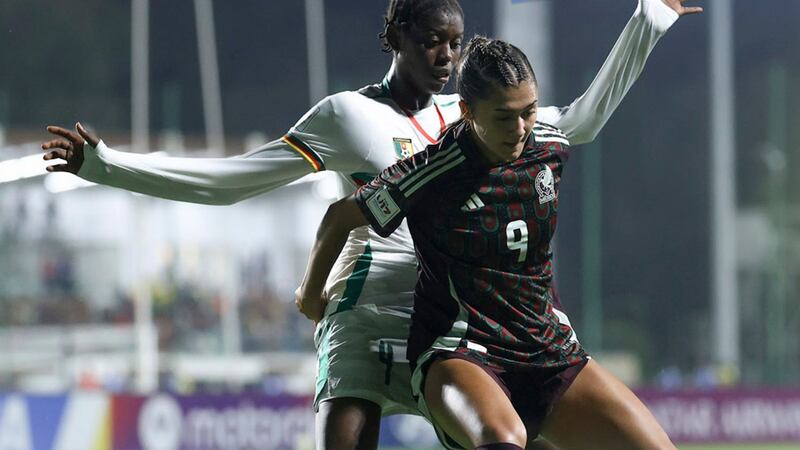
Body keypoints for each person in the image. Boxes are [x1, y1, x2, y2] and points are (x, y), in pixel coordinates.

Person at [41, 1, 701, 448]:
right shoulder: (346, 116)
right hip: (368, 308)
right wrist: (106, 167)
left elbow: (579, 121)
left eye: (453, 41)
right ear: (395, 40)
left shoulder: (476, 112)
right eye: (429, 40)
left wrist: (648, 19)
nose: (443, 54)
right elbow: (232, 182)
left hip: (463, 310)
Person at [296, 35, 679, 450]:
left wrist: (649, 21)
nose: (519, 130)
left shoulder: (549, 147)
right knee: (503, 439)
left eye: (529, 112)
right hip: (460, 350)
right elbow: (340, 216)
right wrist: (309, 295)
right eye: (503, 117)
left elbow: (590, 113)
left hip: (547, 349)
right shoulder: (433, 171)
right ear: (466, 110)